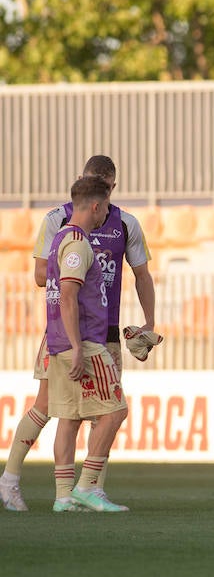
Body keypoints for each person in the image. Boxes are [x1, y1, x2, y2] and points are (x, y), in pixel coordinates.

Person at [0, 154, 158, 513]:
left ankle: (82, 493)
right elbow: (41, 277)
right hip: (69, 329)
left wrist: (150, 322)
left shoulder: (126, 224)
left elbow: (142, 275)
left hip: (106, 331)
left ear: (112, 188)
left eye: (105, 187)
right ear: (83, 185)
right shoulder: (58, 220)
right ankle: (10, 480)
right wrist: (76, 264)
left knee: (95, 412)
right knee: (50, 407)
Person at [45, 176, 131, 512]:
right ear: (95, 205)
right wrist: (79, 347)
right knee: (114, 411)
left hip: (59, 341)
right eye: (106, 207)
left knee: (70, 416)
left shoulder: (60, 238)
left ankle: (63, 496)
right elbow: (68, 296)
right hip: (85, 342)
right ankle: (86, 486)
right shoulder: (79, 243)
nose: (106, 214)